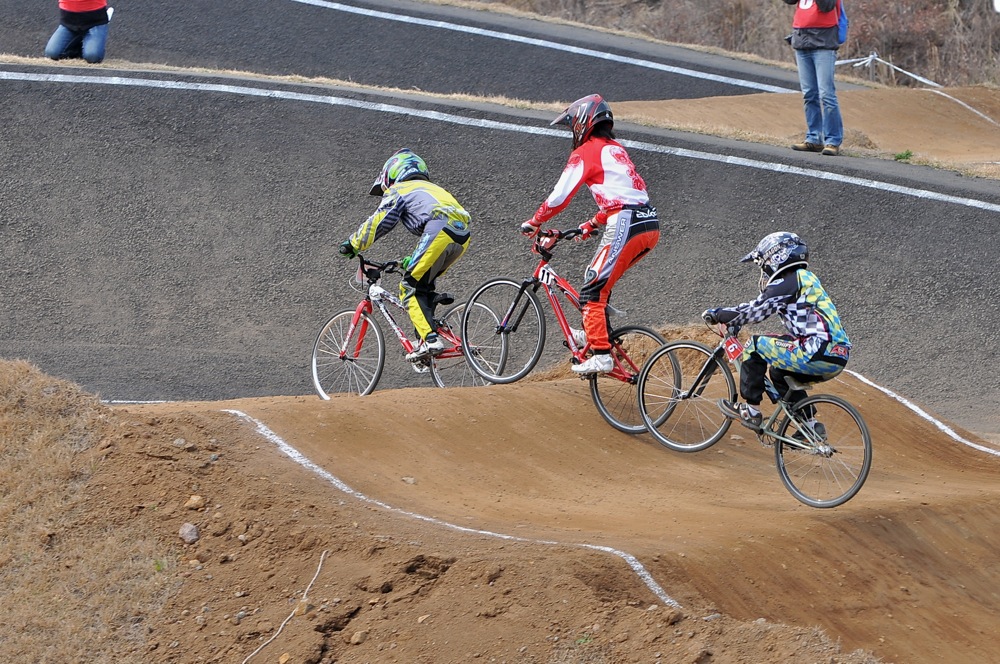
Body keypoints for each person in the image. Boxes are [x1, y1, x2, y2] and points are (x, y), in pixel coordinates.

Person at [520, 94, 660, 375]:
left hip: (626, 222)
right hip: (648, 224)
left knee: (592, 291)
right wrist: (590, 225)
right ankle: (592, 330)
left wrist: (535, 221)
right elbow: (624, 195)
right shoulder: (615, 149)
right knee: (598, 281)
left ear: (584, 122)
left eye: (573, 124)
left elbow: (560, 196)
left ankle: (601, 354)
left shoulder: (587, 152)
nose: (573, 131)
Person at [702, 232, 851, 435]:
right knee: (779, 371)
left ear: (777, 257)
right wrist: (737, 321)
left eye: (763, 264)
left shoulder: (790, 280)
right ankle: (811, 427)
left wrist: (719, 314)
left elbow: (755, 310)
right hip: (836, 354)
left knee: (754, 345)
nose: (763, 271)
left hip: (815, 349)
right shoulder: (806, 279)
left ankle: (751, 410)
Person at [339, 148, 471, 361]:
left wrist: (353, 244)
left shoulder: (401, 189)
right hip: (462, 235)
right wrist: (411, 259)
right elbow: (436, 224)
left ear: (393, 172)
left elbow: (380, 222)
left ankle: (430, 340)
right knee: (422, 285)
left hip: (439, 231)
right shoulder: (433, 189)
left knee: (408, 287)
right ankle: (428, 332)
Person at [784, 0, 844, 156]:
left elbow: (827, 6)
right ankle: (814, 138)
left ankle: (832, 140)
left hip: (824, 41)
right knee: (809, 94)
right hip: (802, 39)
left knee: (826, 94)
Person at [45, 1, 113, 64]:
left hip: (95, 21)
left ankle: (103, 22)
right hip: (68, 22)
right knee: (52, 54)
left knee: (93, 57)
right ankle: (78, 45)